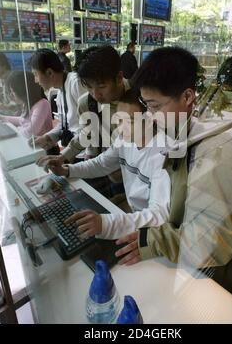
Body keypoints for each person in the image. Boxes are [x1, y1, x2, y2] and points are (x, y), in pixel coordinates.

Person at [115, 46, 232, 297]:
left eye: (154, 106)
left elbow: (214, 239)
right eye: (146, 105)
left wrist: (154, 241)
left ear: (187, 97)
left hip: (217, 277)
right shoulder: (186, 127)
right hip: (189, 260)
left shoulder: (219, 149)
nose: (150, 117)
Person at [48, 89, 172, 239]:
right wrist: (67, 170)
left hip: (153, 230)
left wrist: (105, 223)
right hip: (133, 216)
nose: (121, 128)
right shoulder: (125, 139)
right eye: (119, 120)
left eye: (130, 121)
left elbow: (159, 214)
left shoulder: (164, 155)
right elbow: (102, 163)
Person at [36, 46, 131, 187]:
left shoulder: (141, 100)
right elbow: (87, 134)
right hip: (106, 172)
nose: (96, 94)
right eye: (89, 87)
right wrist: (64, 157)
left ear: (118, 78)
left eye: (101, 86)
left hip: (134, 176)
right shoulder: (87, 102)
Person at [29, 49, 86, 152]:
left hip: (84, 152)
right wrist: (47, 137)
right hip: (74, 149)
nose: (35, 80)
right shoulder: (60, 91)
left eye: (36, 74)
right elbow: (65, 124)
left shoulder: (75, 83)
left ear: (49, 72)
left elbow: (91, 124)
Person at [0, 71, 52, 139]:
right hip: (32, 145)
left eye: (13, 91)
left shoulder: (42, 104)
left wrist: (13, 131)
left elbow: (30, 132)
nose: (11, 95)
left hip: (44, 148)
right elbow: (22, 121)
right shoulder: (27, 103)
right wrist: (2, 118)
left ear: (23, 91)